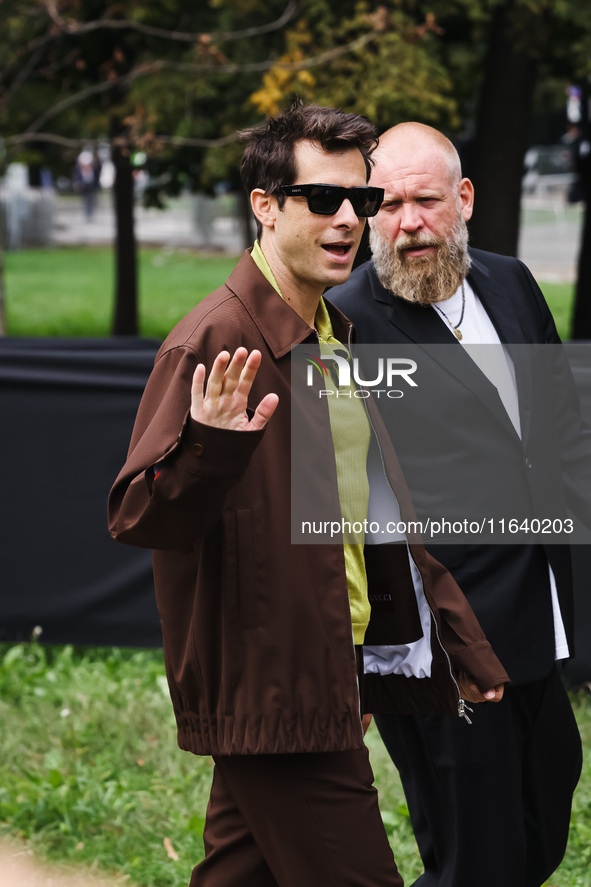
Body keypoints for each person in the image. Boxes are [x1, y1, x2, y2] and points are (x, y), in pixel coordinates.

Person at [107, 105, 507, 887]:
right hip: (274, 686)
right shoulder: (214, 339)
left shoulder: (327, 330)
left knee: (238, 872)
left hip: (322, 669)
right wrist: (212, 446)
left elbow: (375, 512)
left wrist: (455, 632)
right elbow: (138, 516)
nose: (347, 220)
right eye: (321, 199)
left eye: (359, 201)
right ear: (265, 205)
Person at [331, 121, 586, 887]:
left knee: (543, 816)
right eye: (387, 203)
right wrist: (365, 661)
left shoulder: (509, 281)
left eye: (426, 201)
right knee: (477, 852)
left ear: (464, 199)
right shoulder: (344, 322)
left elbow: (557, 430)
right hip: (438, 640)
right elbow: (343, 504)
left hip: (534, 611)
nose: (407, 222)